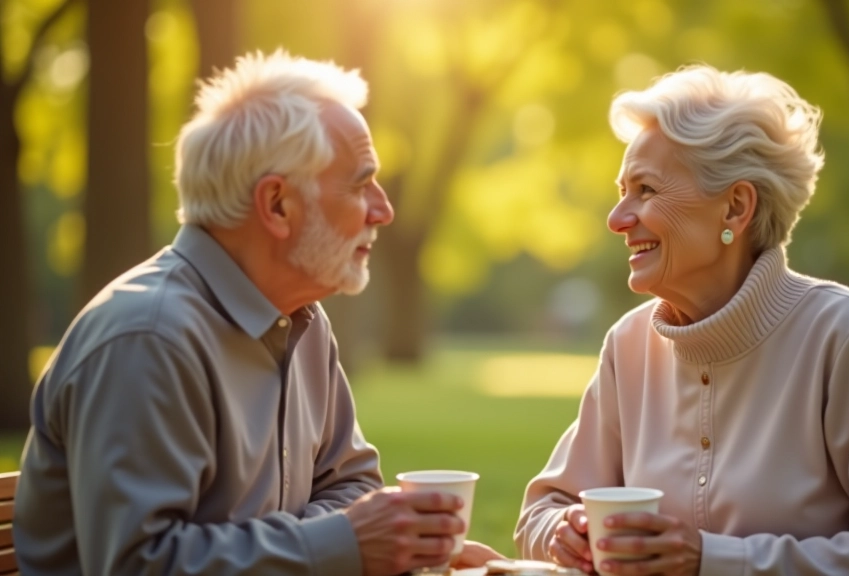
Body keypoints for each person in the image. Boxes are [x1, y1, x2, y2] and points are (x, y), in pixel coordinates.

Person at [14, 50, 500, 575]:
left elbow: (351, 482)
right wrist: (341, 545)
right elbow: (138, 565)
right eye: (361, 184)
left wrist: (356, 541)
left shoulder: (303, 320)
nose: (383, 210)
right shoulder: (147, 340)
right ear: (277, 205)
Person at [514, 65, 849, 575]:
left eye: (645, 190)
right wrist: (564, 533)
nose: (617, 218)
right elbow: (539, 513)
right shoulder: (629, 345)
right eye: (622, 191)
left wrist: (713, 560)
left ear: (735, 207)